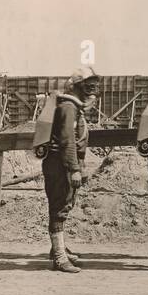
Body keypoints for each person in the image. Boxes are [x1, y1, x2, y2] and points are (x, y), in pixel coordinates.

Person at [42, 66, 100, 273]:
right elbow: (67, 141)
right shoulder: (68, 107)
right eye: (89, 82)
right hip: (60, 164)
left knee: (64, 206)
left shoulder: (74, 107)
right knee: (59, 208)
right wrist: (74, 168)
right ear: (77, 85)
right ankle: (59, 257)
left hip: (63, 163)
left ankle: (58, 249)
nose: (93, 86)